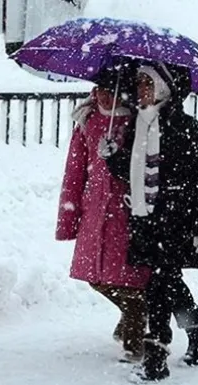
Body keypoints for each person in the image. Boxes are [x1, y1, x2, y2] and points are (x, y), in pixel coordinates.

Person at [102, 63, 198, 382]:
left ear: (163, 88)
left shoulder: (184, 127)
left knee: (158, 284)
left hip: (177, 219)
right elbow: (133, 172)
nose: (141, 88)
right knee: (167, 280)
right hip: (146, 218)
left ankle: (156, 356)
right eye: (139, 82)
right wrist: (112, 156)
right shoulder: (139, 125)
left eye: (147, 83)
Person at [56, 63, 150, 362]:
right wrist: (68, 219)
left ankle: (134, 338)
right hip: (94, 211)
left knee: (127, 276)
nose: (103, 97)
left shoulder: (140, 122)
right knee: (94, 276)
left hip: (127, 212)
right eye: (98, 90)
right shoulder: (87, 121)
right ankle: (135, 311)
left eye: (110, 92)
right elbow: (73, 173)